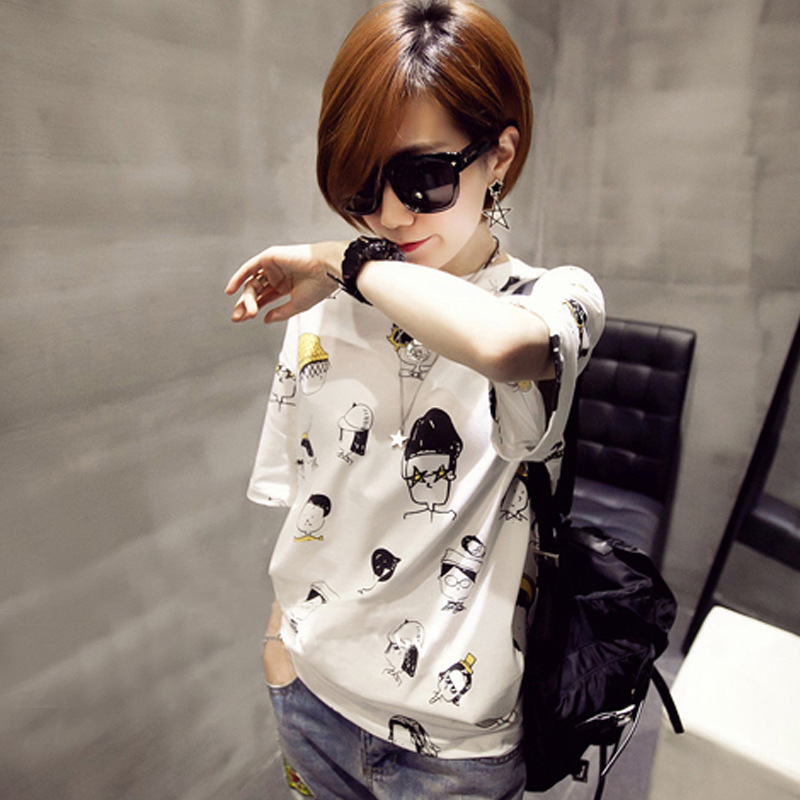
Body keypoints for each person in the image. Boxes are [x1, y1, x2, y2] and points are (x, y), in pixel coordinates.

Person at [225, 1, 605, 798]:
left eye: (423, 177)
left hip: (453, 751)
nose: (390, 215)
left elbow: (503, 348)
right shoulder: (323, 313)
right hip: (311, 699)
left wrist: (340, 256)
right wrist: (278, 645)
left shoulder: (553, 300)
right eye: (361, 188)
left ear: (499, 156)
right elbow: (310, 503)